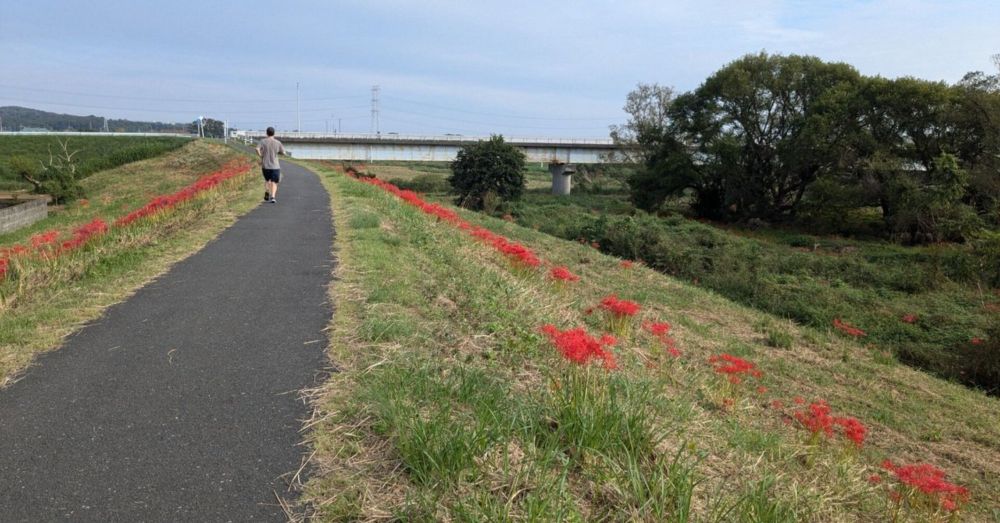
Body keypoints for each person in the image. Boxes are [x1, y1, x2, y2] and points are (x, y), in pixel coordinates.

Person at [256, 127, 286, 203]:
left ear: (266, 133)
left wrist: (261, 155)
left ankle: (267, 191)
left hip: (265, 165)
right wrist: (279, 153)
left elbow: (257, 149)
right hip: (275, 166)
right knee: (274, 182)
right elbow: (283, 152)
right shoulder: (278, 142)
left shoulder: (262, 141)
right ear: (274, 133)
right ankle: (273, 197)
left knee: (267, 180)